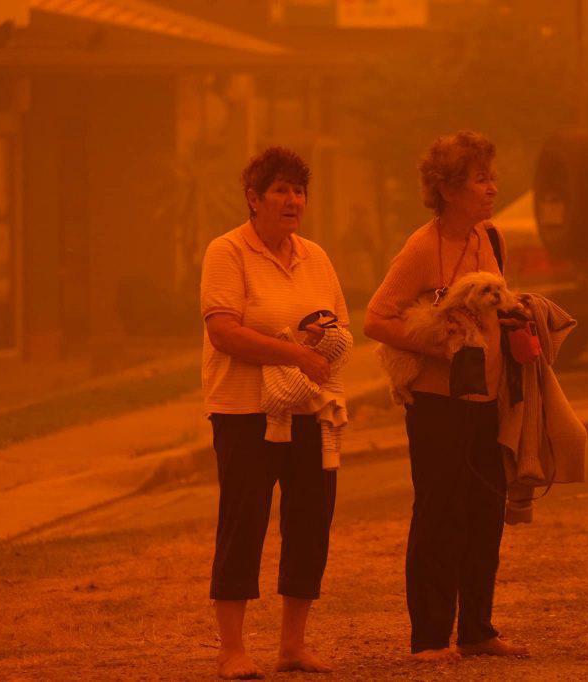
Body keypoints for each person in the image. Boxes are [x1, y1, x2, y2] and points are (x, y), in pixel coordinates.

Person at [364, 130, 530, 663]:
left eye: (491, 177)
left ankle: (478, 629)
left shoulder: (490, 238)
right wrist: (437, 345)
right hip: (437, 405)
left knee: (486, 510)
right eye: (481, 179)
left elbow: (494, 308)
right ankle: (430, 638)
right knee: (439, 512)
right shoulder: (421, 247)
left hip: (487, 399)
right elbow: (376, 318)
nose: (492, 187)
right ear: (451, 189)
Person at [200, 147, 349, 679]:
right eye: (281, 190)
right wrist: (294, 352)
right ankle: (232, 649)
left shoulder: (316, 256)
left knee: (311, 521)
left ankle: (294, 644)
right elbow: (224, 331)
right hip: (244, 412)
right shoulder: (228, 252)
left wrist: (320, 341)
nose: (293, 200)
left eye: (299, 191)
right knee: (244, 522)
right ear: (253, 198)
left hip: (309, 409)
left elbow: (337, 326)